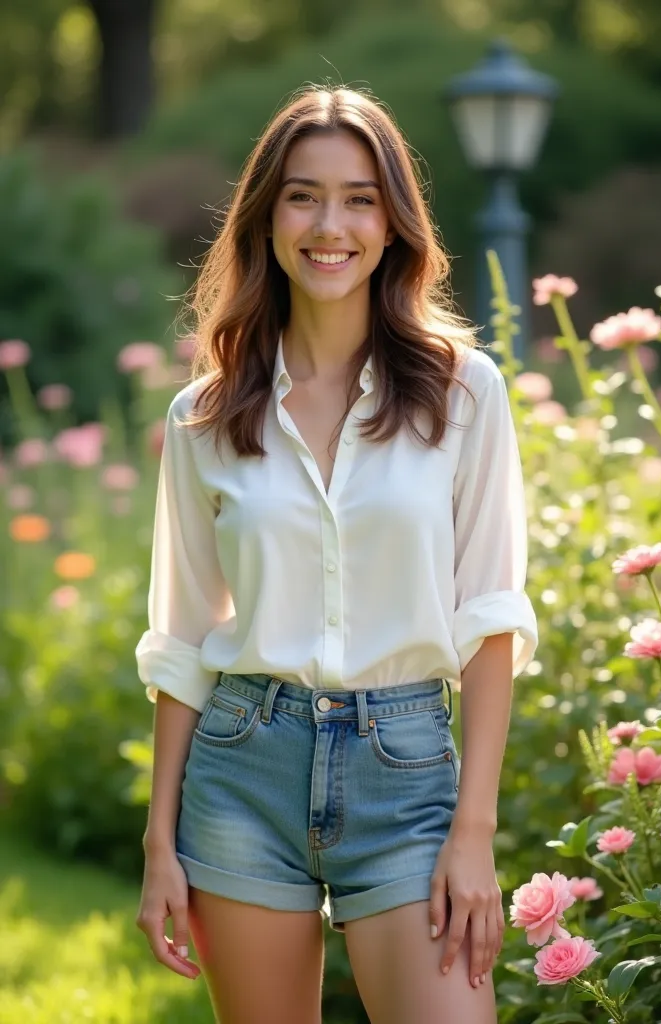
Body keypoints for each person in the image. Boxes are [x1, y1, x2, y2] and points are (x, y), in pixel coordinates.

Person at [134, 84, 538, 1024]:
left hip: (405, 775)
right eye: (304, 195)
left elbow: (489, 614)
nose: (331, 225)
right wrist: (160, 841)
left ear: (395, 223)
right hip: (242, 771)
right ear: (267, 216)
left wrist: (472, 831)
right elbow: (184, 637)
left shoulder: (463, 393)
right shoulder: (204, 415)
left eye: (360, 198)